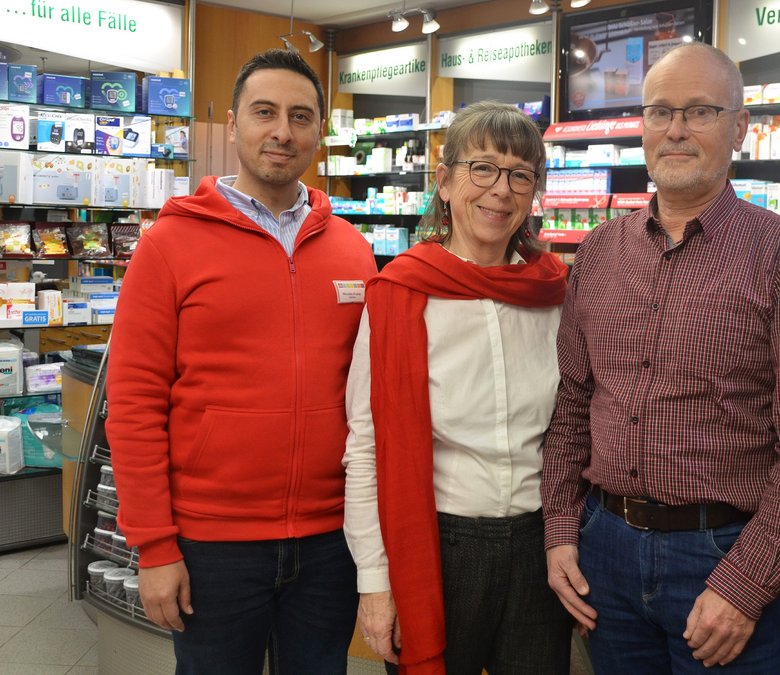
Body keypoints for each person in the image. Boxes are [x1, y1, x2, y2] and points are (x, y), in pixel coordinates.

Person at [542, 42, 780, 674]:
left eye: (699, 112)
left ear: (738, 128)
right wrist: (562, 532)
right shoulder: (598, 253)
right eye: (659, 112)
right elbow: (571, 405)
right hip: (606, 553)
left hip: (723, 554)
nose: (675, 130)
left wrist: (746, 586)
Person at [106, 48, 376, 674]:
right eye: (265, 112)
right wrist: (153, 546)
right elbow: (135, 404)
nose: (283, 131)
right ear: (233, 125)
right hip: (211, 544)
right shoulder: (169, 244)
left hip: (330, 540)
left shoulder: (352, 249)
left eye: (301, 116)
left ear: (319, 131)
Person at [344, 101, 572, 675]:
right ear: (444, 182)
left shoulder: (555, 295)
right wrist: (374, 584)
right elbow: (367, 449)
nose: (501, 190)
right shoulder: (400, 295)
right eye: (483, 168)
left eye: (521, 174)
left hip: (540, 545)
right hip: (438, 545)